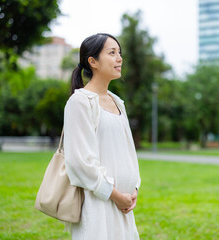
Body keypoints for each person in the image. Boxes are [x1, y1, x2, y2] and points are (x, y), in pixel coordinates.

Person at [63, 33, 141, 240]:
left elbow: (129, 153)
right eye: (112, 52)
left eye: (120, 53)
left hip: (124, 205)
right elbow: (79, 162)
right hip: (97, 204)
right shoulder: (80, 102)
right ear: (93, 61)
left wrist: (134, 189)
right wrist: (114, 195)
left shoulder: (118, 102)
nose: (119, 58)